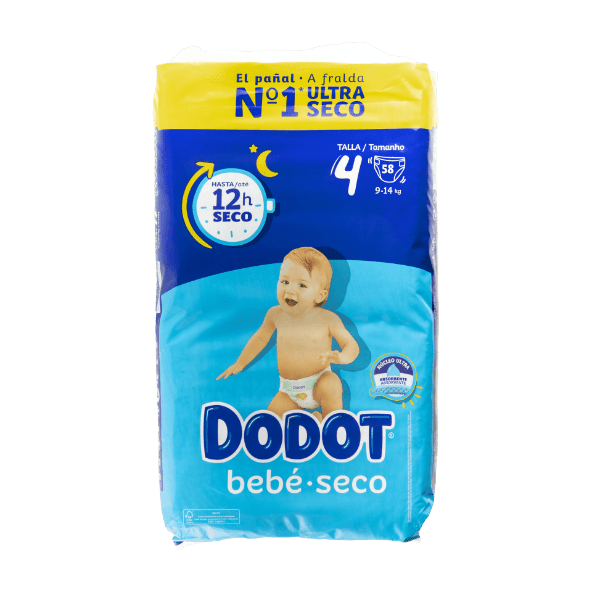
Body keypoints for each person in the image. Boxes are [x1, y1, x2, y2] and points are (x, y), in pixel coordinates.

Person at [216, 247, 359, 421]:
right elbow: (260, 338)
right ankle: (314, 420)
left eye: (302, 285)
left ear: (320, 296)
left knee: (332, 384)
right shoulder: (275, 314)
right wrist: (241, 362)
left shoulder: (328, 319)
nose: (290, 290)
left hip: (319, 381)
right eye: (285, 281)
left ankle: (330, 422)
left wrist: (342, 357)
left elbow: (350, 344)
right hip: (288, 391)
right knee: (270, 422)